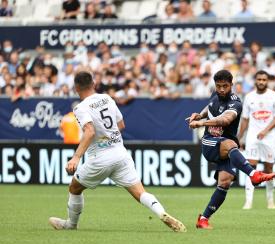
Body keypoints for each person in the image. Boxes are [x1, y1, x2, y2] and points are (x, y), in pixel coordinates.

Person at [48, 71, 186, 233]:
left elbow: (90, 131)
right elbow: (121, 125)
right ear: (93, 84)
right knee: (140, 192)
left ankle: (71, 224)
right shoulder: (107, 98)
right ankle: (161, 212)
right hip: (120, 154)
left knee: (74, 188)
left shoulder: (80, 108)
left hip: (100, 158)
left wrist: (76, 157)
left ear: (76, 88)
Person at [188, 70, 275, 229]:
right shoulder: (215, 95)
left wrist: (202, 124)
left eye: (225, 86)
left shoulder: (236, 103)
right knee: (230, 144)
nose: (221, 89)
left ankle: (203, 219)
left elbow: (225, 119)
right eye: (219, 86)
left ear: (231, 85)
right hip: (210, 142)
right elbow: (209, 107)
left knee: (225, 181)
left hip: (225, 144)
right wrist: (200, 116)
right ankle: (253, 175)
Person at [238, 70, 275, 210]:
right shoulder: (249, 97)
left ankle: (270, 200)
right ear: (255, 80)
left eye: (264, 79)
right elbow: (245, 119)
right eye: (259, 79)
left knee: (269, 168)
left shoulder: (274, 96)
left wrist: (265, 131)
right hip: (252, 136)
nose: (261, 82)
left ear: (267, 81)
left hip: (269, 137)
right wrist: (238, 137)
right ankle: (248, 201)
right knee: (251, 168)